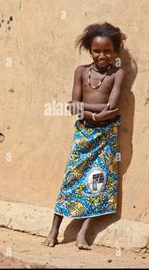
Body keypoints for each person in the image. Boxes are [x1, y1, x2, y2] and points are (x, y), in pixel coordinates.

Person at [42, 22, 127, 249]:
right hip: (84, 134)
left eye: (107, 51)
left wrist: (88, 111)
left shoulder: (118, 74)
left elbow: (113, 105)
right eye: (97, 51)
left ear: (115, 52)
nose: (102, 55)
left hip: (106, 136)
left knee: (98, 182)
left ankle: (83, 233)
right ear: (89, 50)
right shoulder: (81, 72)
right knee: (72, 177)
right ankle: (53, 230)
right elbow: (73, 107)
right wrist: (97, 115)